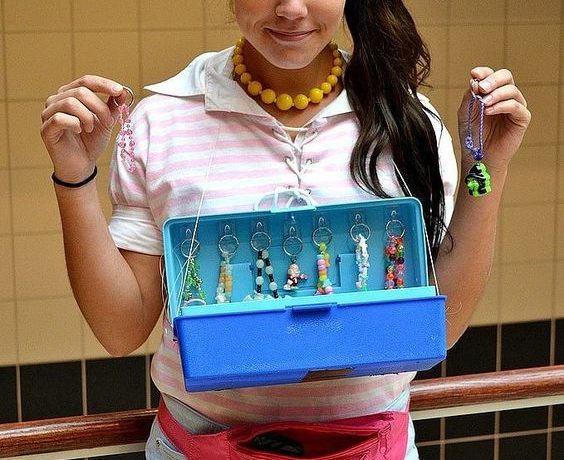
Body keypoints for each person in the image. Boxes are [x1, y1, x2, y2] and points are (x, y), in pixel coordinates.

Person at [40, 0, 530, 458]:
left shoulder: (409, 119)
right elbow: (120, 331)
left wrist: (488, 165)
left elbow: (442, 325)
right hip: (200, 446)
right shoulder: (161, 121)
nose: (291, 9)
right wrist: (75, 178)